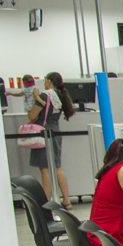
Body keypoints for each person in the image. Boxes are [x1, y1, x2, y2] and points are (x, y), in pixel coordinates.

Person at [29, 72, 76, 206]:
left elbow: (32, 116)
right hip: (55, 131)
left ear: (49, 81)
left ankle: (46, 201)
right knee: (57, 167)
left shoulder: (44, 95)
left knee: (45, 169)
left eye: (45, 80)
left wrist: (34, 98)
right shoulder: (60, 95)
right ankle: (66, 200)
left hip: (43, 132)